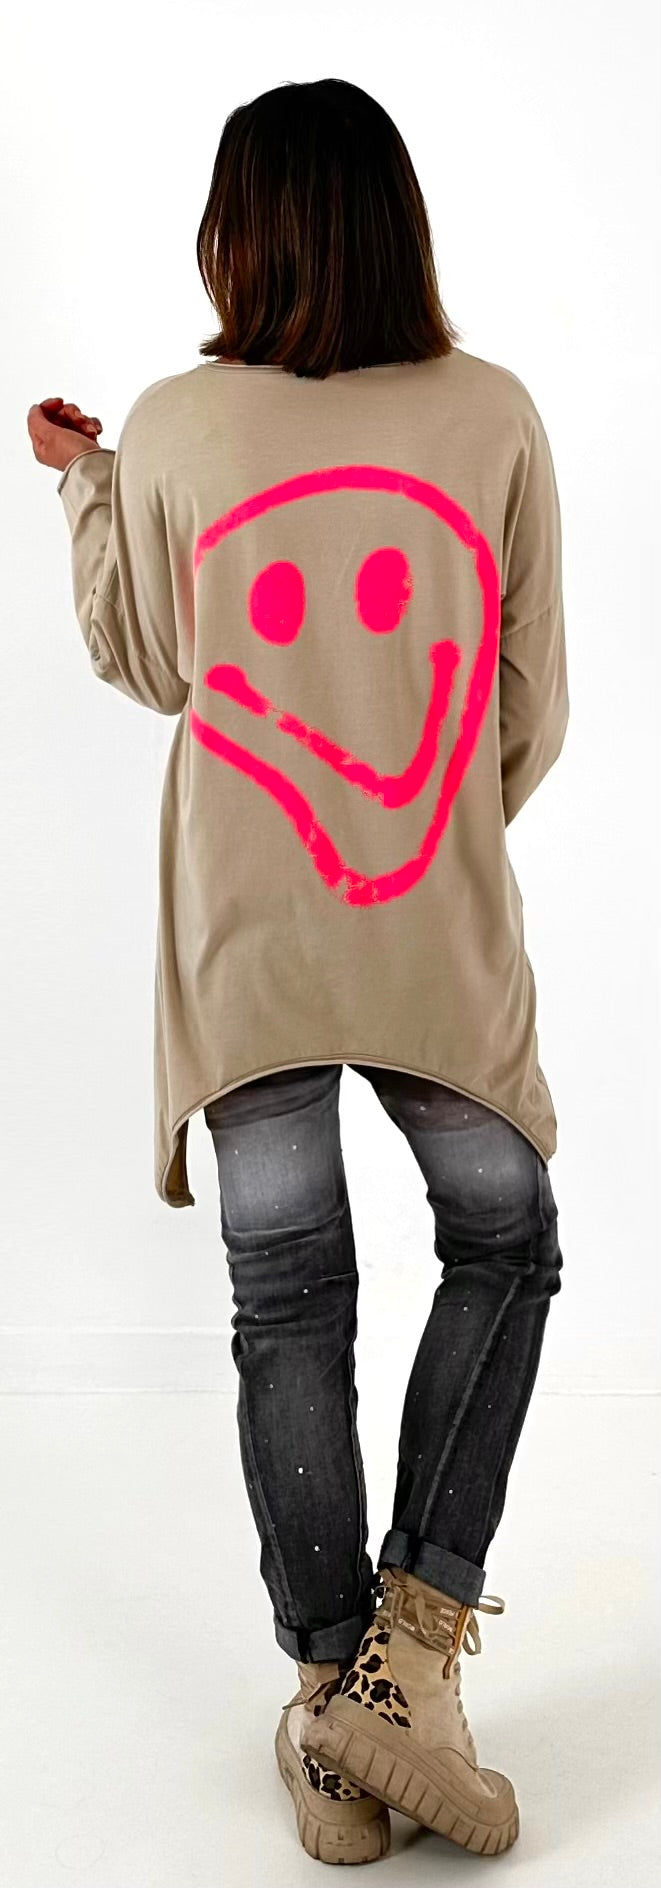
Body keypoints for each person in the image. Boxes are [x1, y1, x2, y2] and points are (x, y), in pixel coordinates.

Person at [28, 76, 568, 1867]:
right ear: (396, 218)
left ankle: (334, 1698)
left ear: (235, 232)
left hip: (240, 928)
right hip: (431, 921)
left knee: (289, 1295)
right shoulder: (492, 411)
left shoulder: (180, 422)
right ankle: (409, 1653)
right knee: (502, 1231)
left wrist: (91, 488)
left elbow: (154, 663)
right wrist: (430, 848)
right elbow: (525, 706)